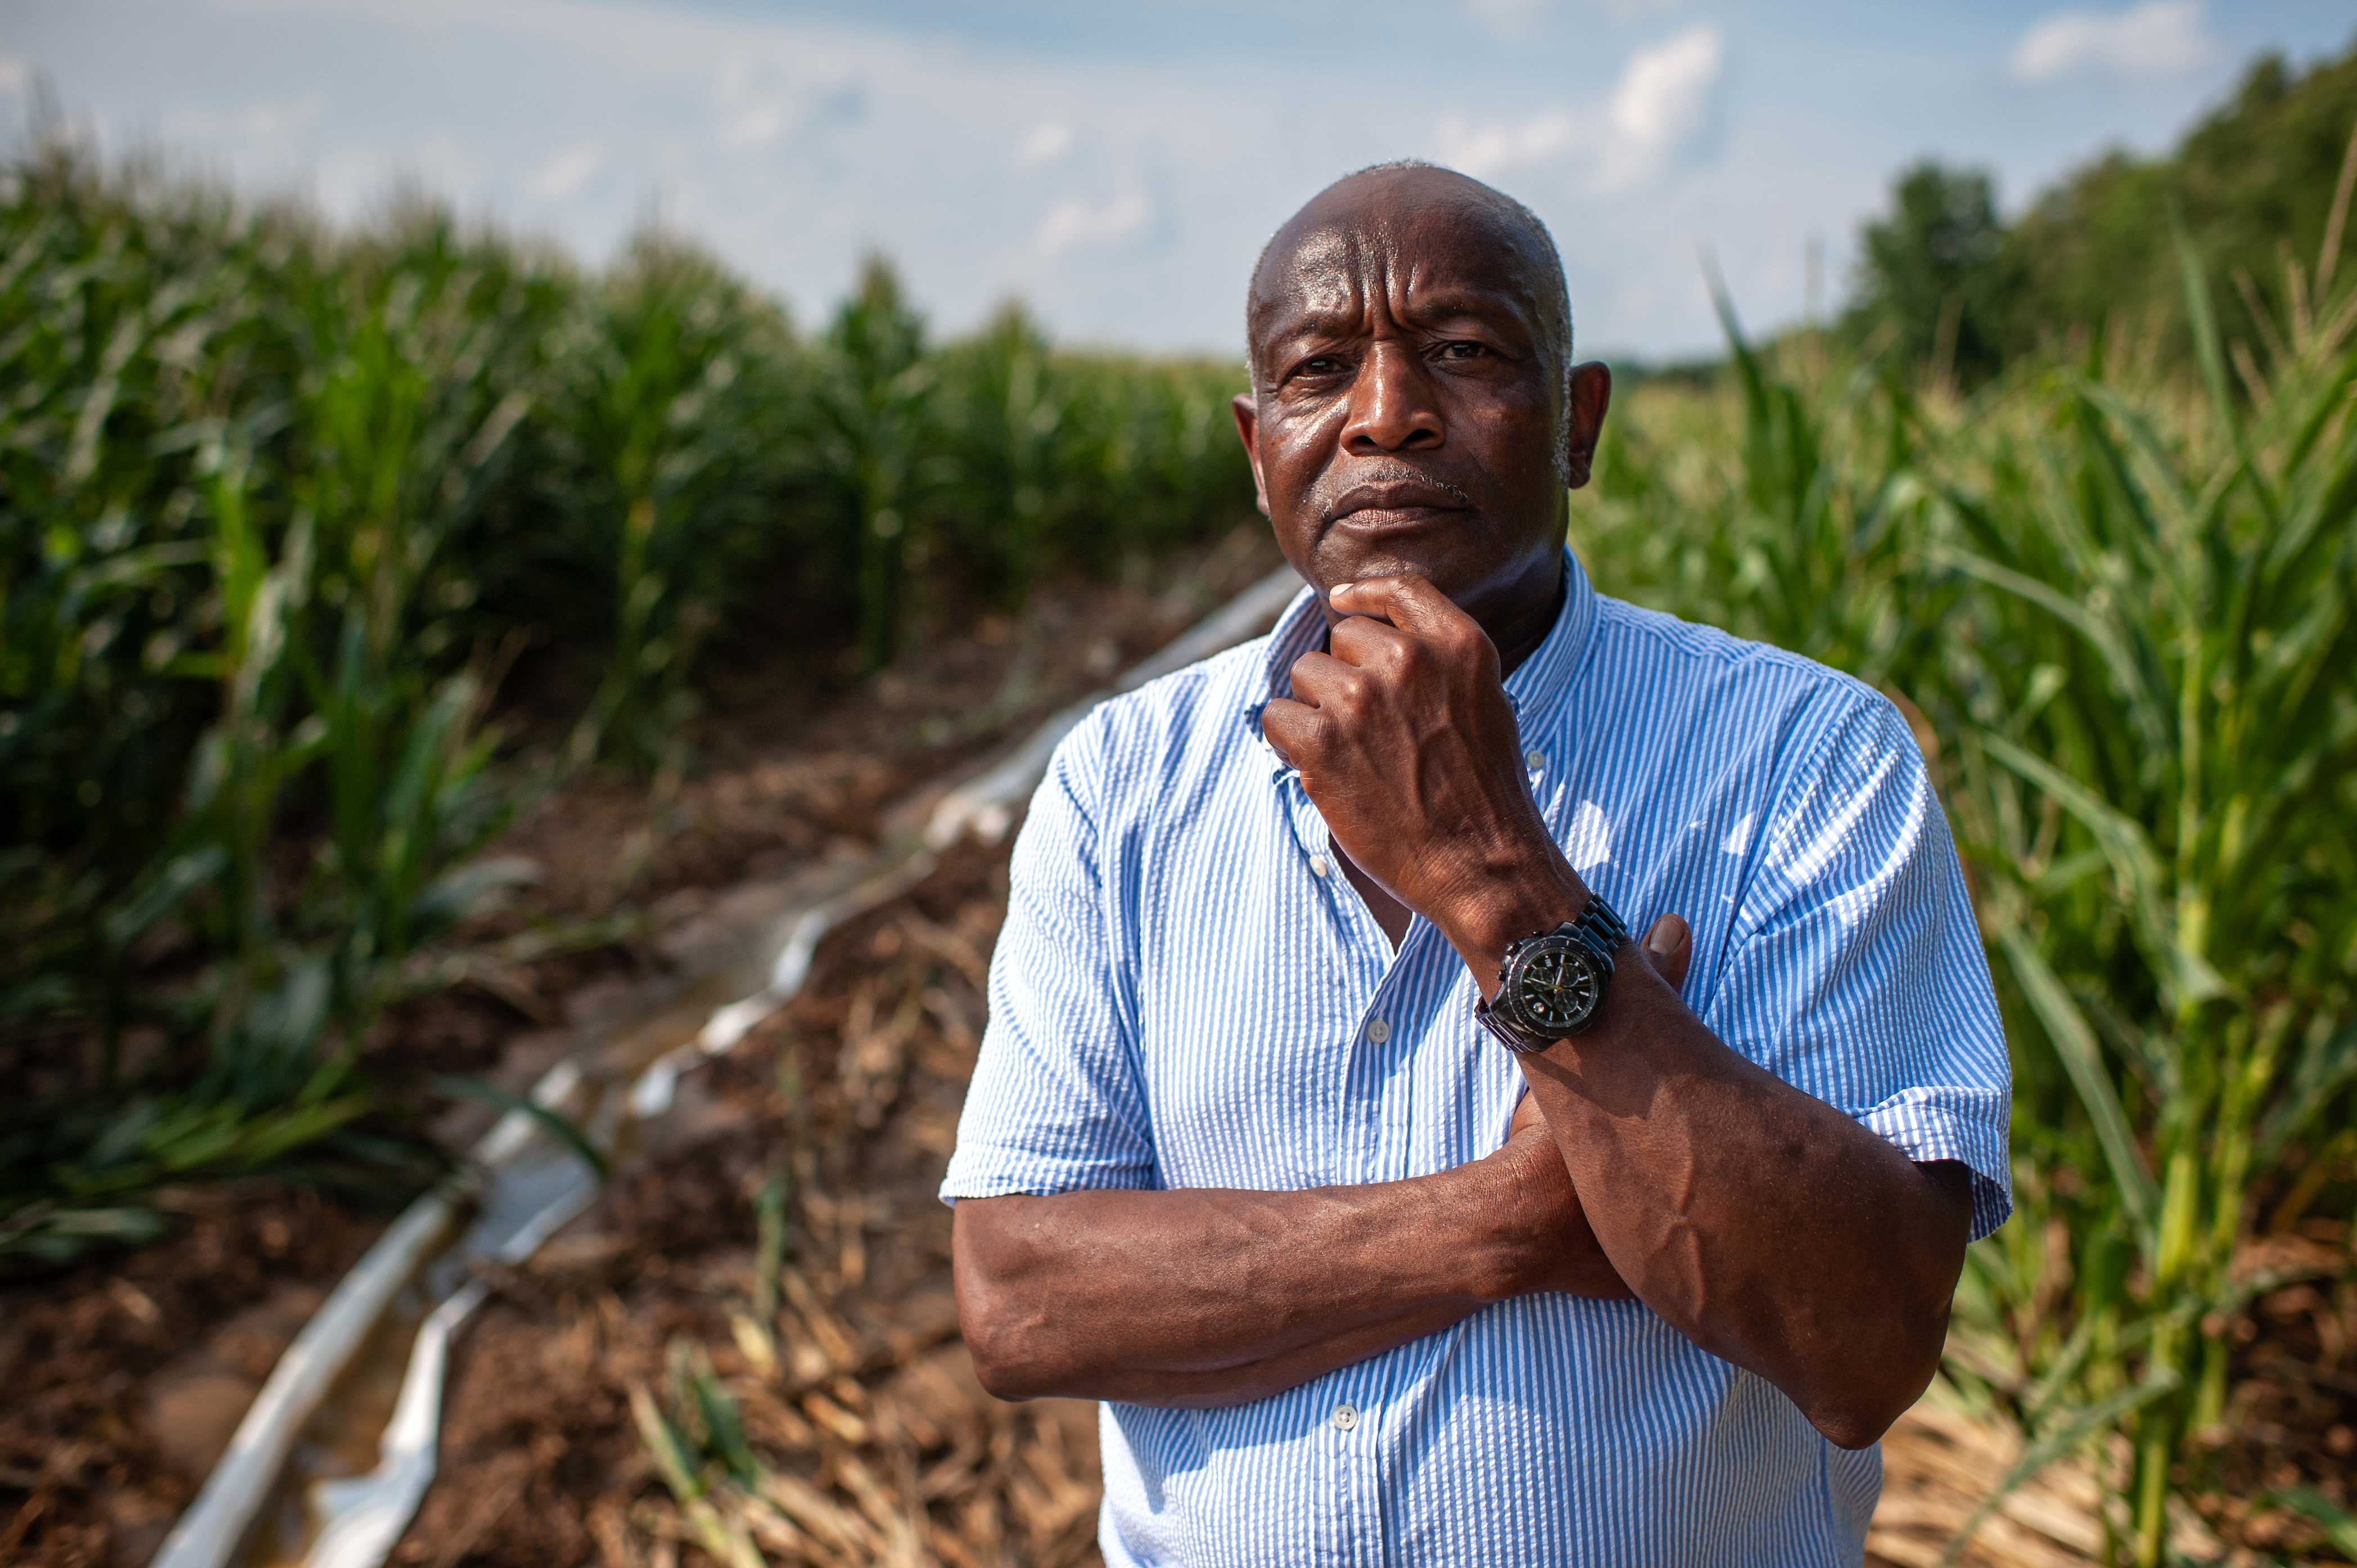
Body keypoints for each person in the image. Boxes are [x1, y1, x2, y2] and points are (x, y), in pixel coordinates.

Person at [941, 161, 2011, 1567]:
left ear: (1577, 424)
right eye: (1321, 370)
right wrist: (1507, 1222)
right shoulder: (1120, 784)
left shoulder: (1804, 760)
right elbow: (1024, 1303)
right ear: (1257, 445)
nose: (1386, 413)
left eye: (1463, 352)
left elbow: (1860, 1346)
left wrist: (1495, 875)